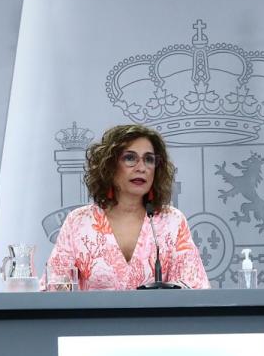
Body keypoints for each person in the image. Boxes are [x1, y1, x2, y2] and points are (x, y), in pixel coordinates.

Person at [45, 124, 210, 291]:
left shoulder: (172, 221)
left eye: (149, 159)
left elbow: (194, 288)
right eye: (130, 158)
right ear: (109, 165)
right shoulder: (79, 221)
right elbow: (54, 291)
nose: (141, 168)